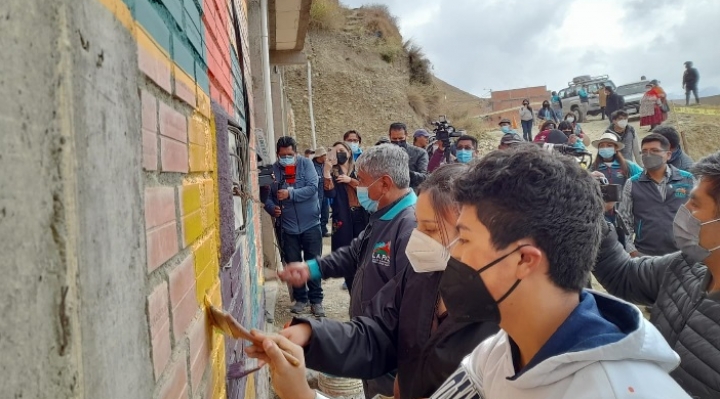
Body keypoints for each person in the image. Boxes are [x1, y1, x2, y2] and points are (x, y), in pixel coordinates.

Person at [252, 145, 690, 399]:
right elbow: (384, 332)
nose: (448, 252)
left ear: (523, 260)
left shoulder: (617, 390)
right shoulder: (497, 356)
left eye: (463, 238)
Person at [262, 164, 500, 399]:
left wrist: (303, 396)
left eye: (430, 229)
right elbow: (378, 332)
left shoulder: (500, 325)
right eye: (418, 225)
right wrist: (312, 335)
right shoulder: (422, 275)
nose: (416, 238)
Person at [594, 150, 720, 398]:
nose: (683, 210)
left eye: (695, 203)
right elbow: (624, 274)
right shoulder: (686, 266)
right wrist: (592, 218)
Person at [279, 144, 416, 320]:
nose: (359, 187)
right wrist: (310, 268)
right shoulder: (382, 216)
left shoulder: (410, 230)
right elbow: (354, 254)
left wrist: (326, 334)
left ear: (384, 183)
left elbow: (403, 312)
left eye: (362, 181)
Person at [264, 136, 324, 316]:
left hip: (311, 224)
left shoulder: (307, 165)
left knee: (313, 263)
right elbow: (263, 195)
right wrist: (270, 208)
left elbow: (313, 188)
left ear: (296, 153)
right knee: (293, 264)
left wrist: (291, 194)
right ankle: (300, 298)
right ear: (277, 154)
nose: (286, 158)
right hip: (287, 228)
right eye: (283, 155)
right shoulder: (270, 171)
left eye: (290, 154)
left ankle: (316, 301)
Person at [619, 133, 696, 257]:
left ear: (668, 155)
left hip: (683, 256)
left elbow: (700, 215)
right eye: (644, 151)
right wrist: (632, 251)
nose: (648, 155)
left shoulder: (688, 180)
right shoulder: (632, 184)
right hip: (646, 256)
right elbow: (624, 221)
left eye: (654, 151)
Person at [324, 142, 369, 292]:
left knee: (365, 255)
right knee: (347, 258)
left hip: (362, 217)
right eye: (335, 151)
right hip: (343, 219)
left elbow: (368, 190)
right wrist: (327, 170)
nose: (339, 154)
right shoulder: (333, 174)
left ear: (349, 153)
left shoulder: (360, 170)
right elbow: (329, 194)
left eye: (342, 151)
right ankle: (353, 293)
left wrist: (350, 181)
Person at [590, 132, 643, 246]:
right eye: (602, 146)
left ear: (615, 148)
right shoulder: (593, 168)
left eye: (609, 145)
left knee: (623, 246)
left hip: (623, 215)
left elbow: (645, 178)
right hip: (601, 216)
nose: (605, 148)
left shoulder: (628, 166)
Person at [388, 122, 429, 191]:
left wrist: (406, 173)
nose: (398, 141)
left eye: (401, 138)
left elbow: (424, 177)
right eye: (394, 139)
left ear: (406, 135)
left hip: (411, 194)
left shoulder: (420, 153)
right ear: (389, 136)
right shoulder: (384, 153)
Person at [312, 147, 331, 237]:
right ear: (319, 157)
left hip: (325, 195)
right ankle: (317, 232)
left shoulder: (325, 166)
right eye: (324, 155)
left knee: (325, 213)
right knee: (316, 214)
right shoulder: (312, 167)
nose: (326, 157)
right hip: (316, 195)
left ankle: (323, 230)